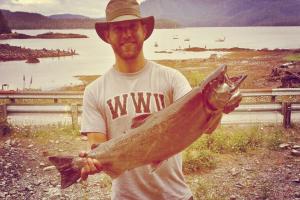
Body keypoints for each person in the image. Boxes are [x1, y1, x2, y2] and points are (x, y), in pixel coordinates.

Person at [80, 0, 199, 199]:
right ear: (108, 36)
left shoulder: (172, 79)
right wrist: (90, 162)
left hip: (175, 195)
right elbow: (97, 147)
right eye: (118, 29)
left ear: (144, 30)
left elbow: (196, 118)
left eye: (132, 26)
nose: (126, 34)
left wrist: (218, 108)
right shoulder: (94, 91)